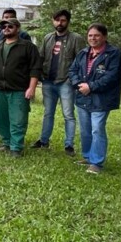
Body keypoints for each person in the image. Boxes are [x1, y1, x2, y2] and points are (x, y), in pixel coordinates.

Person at [68, 24, 121, 174]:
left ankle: (97, 162)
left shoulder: (113, 54)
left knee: (97, 129)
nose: (93, 38)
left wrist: (91, 87)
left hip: (101, 98)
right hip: (82, 97)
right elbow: (72, 70)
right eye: (90, 35)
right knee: (85, 130)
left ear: (104, 37)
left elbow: (111, 77)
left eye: (97, 35)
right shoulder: (83, 53)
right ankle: (87, 156)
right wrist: (79, 84)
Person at [0, 17, 40, 157]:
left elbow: (35, 69)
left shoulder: (28, 47)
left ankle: (16, 147)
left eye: (10, 26)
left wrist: (31, 88)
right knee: (1, 118)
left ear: (18, 28)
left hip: (19, 90)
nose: (6, 28)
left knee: (18, 119)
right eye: (4, 26)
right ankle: (6, 142)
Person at [32, 9, 85, 155]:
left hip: (66, 82)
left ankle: (69, 145)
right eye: (57, 20)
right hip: (48, 81)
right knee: (48, 113)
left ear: (68, 21)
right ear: (52, 21)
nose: (59, 23)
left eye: (62, 20)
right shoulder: (48, 37)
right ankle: (43, 140)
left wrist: (72, 79)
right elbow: (41, 57)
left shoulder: (76, 38)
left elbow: (81, 61)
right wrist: (40, 75)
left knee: (68, 114)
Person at [0, 8, 31, 138]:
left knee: (16, 112)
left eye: (10, 19)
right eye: (5, 18)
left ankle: (15, 139)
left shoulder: (24, 37)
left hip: (17, 83)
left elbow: (31, 62)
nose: (7, 23)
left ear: (17, 25)